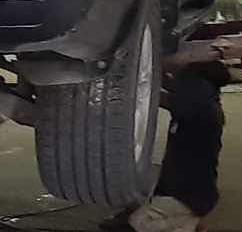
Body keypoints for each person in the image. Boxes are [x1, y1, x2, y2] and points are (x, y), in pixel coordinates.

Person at [99, 60, 231, 232]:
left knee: (139, 223)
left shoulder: (199, 103)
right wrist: (153, 71)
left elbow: (162, 97)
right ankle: (183, 219)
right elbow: (171, 88)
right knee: (135, 208)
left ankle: (192, 223)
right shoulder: (204, 100)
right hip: (191, 191)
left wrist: (132, 86)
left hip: (186, 195)